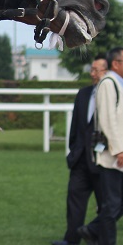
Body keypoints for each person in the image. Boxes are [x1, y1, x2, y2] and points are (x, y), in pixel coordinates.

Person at [51, 56, 108, 245]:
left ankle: (100, 238)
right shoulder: (83, 93)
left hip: (103, 161)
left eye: (96, 70)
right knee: (74, 203)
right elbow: (75, 126)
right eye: (91, 69)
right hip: (80, 160)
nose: (92, 74)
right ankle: (71, 240)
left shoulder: (114, 95)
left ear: (107, 72)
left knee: (106, 206)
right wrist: (74, 150)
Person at [77, 47, 123, 245]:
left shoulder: (117, 84)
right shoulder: (108, 83)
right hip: (111, 156)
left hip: (117, 155)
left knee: (115, 205)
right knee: (111, 206)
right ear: (116, 64)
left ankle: (91, 230)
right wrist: (119, 149)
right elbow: (107, 120)